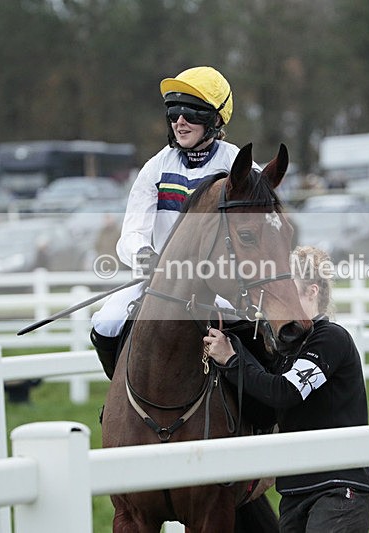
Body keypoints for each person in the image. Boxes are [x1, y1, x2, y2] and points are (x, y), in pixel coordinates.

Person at [90, 65, 255, 379]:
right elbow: (131, 234)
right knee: (105, 322)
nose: (180, 121)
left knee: (255, 328)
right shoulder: (155, 168)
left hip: (223, 282)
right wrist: (144, 255)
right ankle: (120, 397)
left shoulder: (240, 165)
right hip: (163, 280)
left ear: (216, 118)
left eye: (191, 113)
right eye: (174, 112)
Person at [204, 246, 369, 533]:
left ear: (312, 292)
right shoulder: (286, 350)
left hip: (339, 489)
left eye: (286, 289)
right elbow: (264, 401)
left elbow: (285, 392)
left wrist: (232, 359)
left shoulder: (331, 338)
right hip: (295, 491)